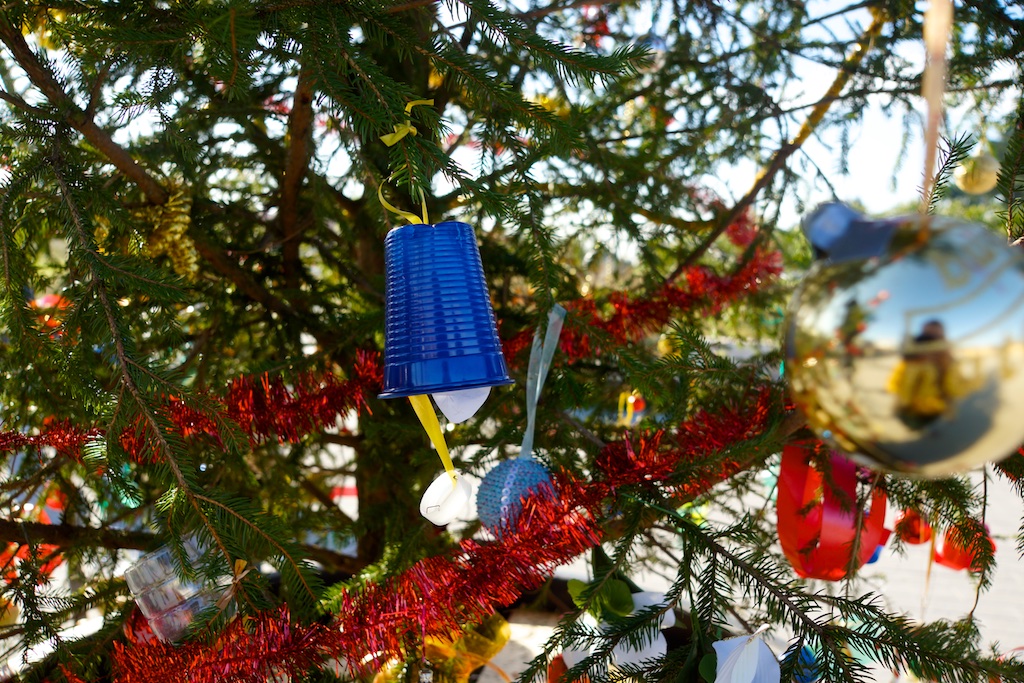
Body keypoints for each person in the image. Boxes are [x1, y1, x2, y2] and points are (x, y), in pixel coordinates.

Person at [887, 320, 969, 427]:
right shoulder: (912, 357)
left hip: (936, 406)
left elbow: (955, 387)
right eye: (928, 333)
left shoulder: (947, 358)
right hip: (911, 406)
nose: (931, 338)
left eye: (936, 335)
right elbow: (897, 381)